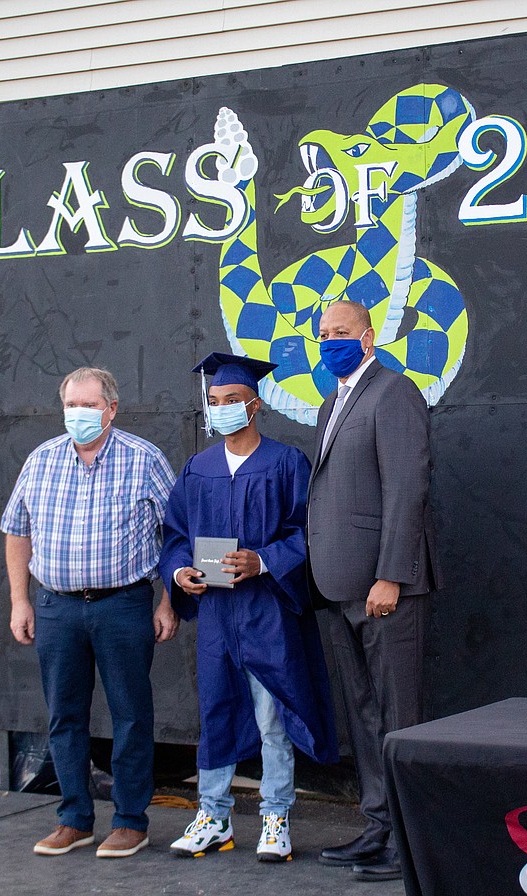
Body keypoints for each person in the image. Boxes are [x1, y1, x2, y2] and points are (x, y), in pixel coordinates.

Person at [160, 352, 339, 863]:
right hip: (217, 615)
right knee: (216, 712)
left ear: (254, 405)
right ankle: (213, 816)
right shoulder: (199, 468)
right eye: (214, 402)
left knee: (272, 717)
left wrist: (263, 560)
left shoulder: (285, 463)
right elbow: (175, 536)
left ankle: (275, 816)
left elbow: (311, 532)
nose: (221, 410)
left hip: (268, 614)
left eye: (231, 401)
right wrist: (180, 574)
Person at [1, 366, 178, 860]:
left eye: (88, 406)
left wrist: (168, 601)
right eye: (71, 406)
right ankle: (75, 818)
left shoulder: (144, 459)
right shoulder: (41, 461)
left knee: (130, 715)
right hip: (56, 607)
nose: (78, 415)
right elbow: (17, 530)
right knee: (65, 716)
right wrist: (20, 600)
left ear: (112, 409)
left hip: (123, 604)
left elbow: (176, 535)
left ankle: (129, 821)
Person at [306, 300, 441, 883]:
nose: (330, 341)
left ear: (368, 338)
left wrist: (391, 574)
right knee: (362, 714)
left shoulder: (394, 393)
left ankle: (408, 844)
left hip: (383, 589)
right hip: (337, 590)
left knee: (396, 715)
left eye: (341, 332)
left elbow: (407, 489)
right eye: (322, 334)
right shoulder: (331, 402)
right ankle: (378, 825)